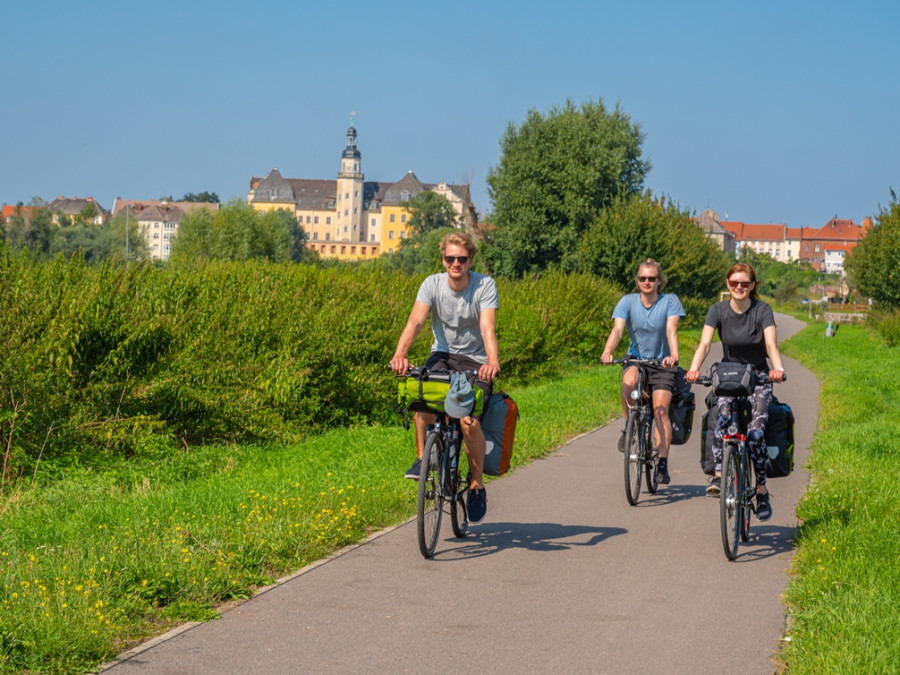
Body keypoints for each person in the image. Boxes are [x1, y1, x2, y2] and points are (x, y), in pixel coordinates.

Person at [389, 232, 500, 523]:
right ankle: (422, 457)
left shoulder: (484, 285)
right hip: (442, 355)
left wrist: (492, 361)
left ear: (470, 260)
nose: (455, 264)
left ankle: (476, 485)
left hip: (475, 360)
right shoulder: (432, 284)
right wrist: (400, 355)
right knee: (422, 401)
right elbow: (415, 322)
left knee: (468, 421)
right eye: (450, 258)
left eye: (461, 259)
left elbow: (487, 328)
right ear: (443, 260)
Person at [685, 262, 785, 520]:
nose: (739, 287)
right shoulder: (717, 310)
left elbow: (771, 344)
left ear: (752, 286)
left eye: (744, 283)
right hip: (729, 376)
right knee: (723, 424)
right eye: (734, 283)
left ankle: (761, 490)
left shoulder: (762, 310)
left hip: (759, 377)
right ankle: (719, 476)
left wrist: (778, 368)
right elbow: (704, 343)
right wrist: (694, 369)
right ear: (727, 284)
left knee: (754, 434)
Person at [601, 259, 684, 485]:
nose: (647, 282)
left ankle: (663, 464)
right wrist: (608, 351)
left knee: (660, 411)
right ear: (637, 281)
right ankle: (630, 427)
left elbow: (671, 330)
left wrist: (673, 356)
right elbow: (618, 329)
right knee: (627, 384)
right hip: (637, 360)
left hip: (662, 364)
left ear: (660, 281)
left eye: (652, 279)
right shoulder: (627, 301)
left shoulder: (670, 301)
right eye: (642, 278)